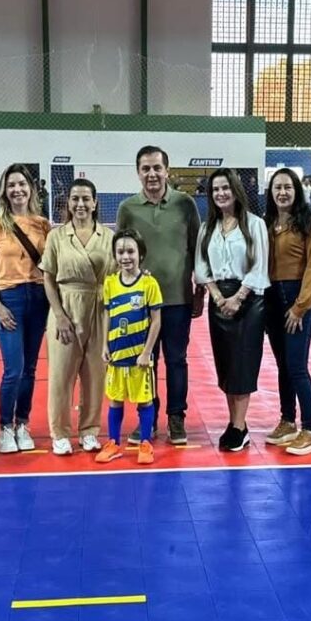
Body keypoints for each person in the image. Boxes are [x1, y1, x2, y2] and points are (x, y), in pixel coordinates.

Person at [116, 145, 202, 445]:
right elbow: (120, 252)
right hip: (140, 303)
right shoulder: (127, 208)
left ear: (167, 170)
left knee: (177, 360)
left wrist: (199, 289)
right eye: (146, 168)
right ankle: (148, 418)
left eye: (157, 168)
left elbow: (197, 248)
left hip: (178, 299)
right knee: (145, 362)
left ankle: (177, 418)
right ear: (138, 172)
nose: (152, 174)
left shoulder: (185, 204)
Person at [195, 168, 270, 452]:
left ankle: (239, 427)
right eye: (215, 189)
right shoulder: (207, 228)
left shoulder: (255, 224)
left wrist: (238, 298)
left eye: (225, 188)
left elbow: (259, 265)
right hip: (219, 302)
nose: (221, 193)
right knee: (226, 364)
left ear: (236, 191)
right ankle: (235, 423)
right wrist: (216, 296)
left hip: (248, 301)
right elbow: (201, 267)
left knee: (243, 364)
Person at [0, 164, 51, 454]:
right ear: (4, 191)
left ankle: (22, 423)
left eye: (22, 184)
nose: (17, 189)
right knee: (14, 369)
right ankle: (5, 427)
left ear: (30, 189)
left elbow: (50, 267)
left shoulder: (43, 224)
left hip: (39, 298)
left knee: (30, 368)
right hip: (10, 298)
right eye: (11, 185)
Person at [41, 178, 114, 456]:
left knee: (96, 373)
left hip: (99, 306)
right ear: (68, 203)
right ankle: (60, 433)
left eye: (86, 199)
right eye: (75, 199)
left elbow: (118, 273)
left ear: (95, 203)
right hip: (66, 305)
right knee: (61, 375)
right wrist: (59, 315)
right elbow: (48, 278)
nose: (80, 204)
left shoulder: (107, 237)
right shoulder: (57, 236)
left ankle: (89, 430)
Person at [262, 168, 311, 455]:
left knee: (297, 365)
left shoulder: (310, 223)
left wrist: (300, 307)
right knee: (283, 365)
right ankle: (287, 421)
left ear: (297, 191)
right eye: (277, 187)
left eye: (287, 187)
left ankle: (310, 430)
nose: (282, 192)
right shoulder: (267, 224)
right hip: (272, 300)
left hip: (297, 300)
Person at [95, 229, 163, 465]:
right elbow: (107, 315)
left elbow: (156, 321)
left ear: (140, 254)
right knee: (115, 399)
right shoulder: (110, 283)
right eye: (121, 252)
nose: (126, 257)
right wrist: (104, 345)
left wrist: (147, 352)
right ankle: (114, 443)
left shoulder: (149, 284)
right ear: (115, 255)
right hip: (116, 355)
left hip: (139, 358)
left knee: (144, 400)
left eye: (131, 251)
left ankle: (145, 443)